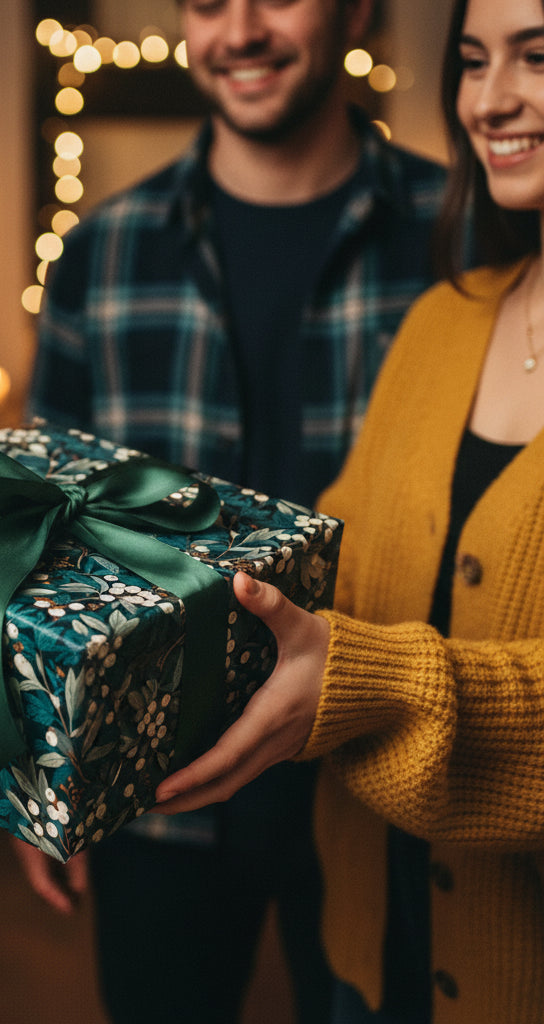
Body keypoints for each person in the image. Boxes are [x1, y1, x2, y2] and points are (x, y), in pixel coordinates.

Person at [17, 0, 454, 1021]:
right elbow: (49, 542)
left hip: (381, 776)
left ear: (356, 9)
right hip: (154, 787)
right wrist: (34, 759)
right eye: (209, 2)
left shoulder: (457, 236)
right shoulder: (102, 251)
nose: (241, 30)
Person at [153, 0, 544, 1019]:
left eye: (536, 57)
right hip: (370, 960)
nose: (491, 98)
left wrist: (363, 680)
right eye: (470, 60)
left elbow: (347, 652)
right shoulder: (443, 318)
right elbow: (336, 566)